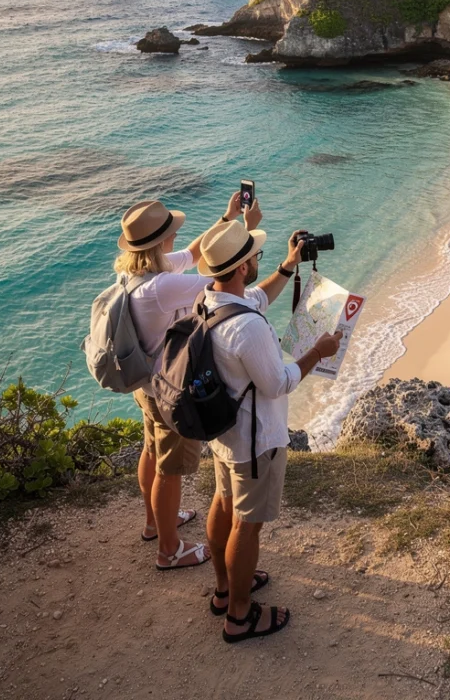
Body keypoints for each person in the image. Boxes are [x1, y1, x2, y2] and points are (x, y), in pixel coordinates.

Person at [197, 218, 341, 643]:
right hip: (257, 440)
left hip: (224, 433)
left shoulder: (208, 302)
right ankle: (240, 617)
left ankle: (225, 591)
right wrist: (319, 350)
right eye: (256, 256)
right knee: (248, 525)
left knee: (224, 503)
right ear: (242, 267)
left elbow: (257, 297)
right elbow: (278, 382)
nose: (259, 260)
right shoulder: (249, 327)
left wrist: (287, 264)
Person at [114, 191, 260, 570]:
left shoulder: (135, 273)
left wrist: (226, 219)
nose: (177, 237)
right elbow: (223, 274)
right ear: (160, 240)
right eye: (172, 232)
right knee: (171, 470)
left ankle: (153, 523)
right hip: (170, 391)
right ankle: (169, 549)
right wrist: (247, 232)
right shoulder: (162, 288)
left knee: (151, 451)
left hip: (145, 387)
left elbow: (196, 254)